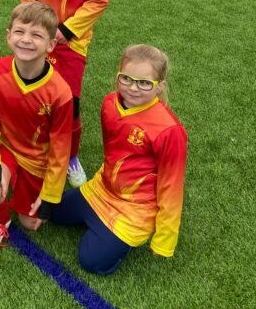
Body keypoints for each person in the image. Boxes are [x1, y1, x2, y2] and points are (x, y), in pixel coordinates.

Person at [52, 44, 188, 275]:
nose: (133, 88)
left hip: (134, 210)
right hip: (101, 190)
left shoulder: (169, 131)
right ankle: (99, 226)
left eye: (144, 83)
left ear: (160, 86)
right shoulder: (109, 104)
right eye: (126, 79)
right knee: (52, 211)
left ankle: (119, 240)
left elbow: (172, 188)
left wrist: (163, 241)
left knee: (91, 261)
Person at [19, 0, 109, 188]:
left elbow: (98, 0)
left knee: (70, 104)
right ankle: (37, 146)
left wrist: (66, 30)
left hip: (72, 44)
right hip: (39, 42)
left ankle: (70, 156)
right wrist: (38, 30)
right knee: (37, 95)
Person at [0, 2, 73, 257]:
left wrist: (51, 194)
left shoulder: (60, 92)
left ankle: (31, 189)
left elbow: (61, 149)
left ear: (51, 44)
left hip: (38, 160)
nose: (26, 40)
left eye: (37, 35)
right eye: (19, 32)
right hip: (6, 149)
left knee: (30, 223)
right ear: (9, 36)